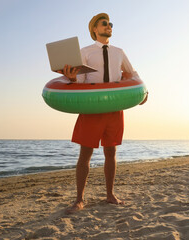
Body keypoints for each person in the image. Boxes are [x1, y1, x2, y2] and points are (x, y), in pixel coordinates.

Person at [57, 13, 148, 214]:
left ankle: (110, 194)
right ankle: (79, 199)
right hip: (92, 108)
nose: (109, 26)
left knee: (111, 152)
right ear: (94, 30)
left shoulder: (119, 52)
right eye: (104, 24)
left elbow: (132, 73)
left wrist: (143, 91)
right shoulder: (85, 52)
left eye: (110, 24)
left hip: (114, 107)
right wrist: (72, 78)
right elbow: (80, 81)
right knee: (85, 153)